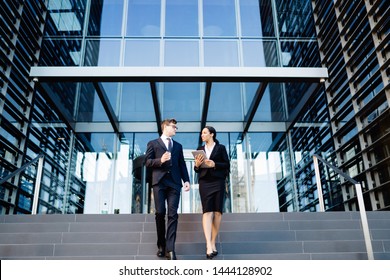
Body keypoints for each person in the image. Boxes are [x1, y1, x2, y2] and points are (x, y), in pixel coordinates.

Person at [144, 118, 190, 260]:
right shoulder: (153, 143)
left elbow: (182, 164)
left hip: (175, 183)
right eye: (174, 126)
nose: (176, 129)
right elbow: (147, 162)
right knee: (160, 213)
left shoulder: (178, 146)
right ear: (165, 127)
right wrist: (160, 161)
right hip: (159, 182)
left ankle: (170, 248)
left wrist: (186, 180)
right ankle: (161, 245)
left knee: (173, 214)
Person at [194, 126, 230, 259]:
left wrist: (214, 164)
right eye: (202, 133)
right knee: (207, 211)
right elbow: (196, 169)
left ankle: (213, 240)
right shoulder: (200, 149)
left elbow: (226, 164)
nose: (202, 135)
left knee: (217, 213)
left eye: (204, 133)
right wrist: (197, 165)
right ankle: (208, 244)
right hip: (205, 183)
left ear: (212, 134)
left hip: (218, 182)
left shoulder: (221, 148)